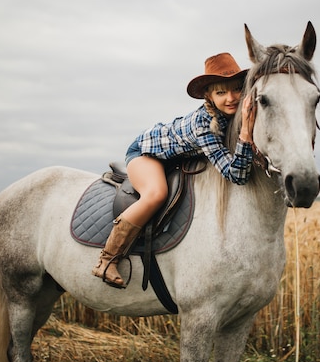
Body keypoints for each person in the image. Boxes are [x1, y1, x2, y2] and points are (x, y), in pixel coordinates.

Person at [92, 52, 257, 288]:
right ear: (209, 96)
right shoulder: (204, 125)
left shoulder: (234, 112)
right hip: (145, 152)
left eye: (236, 90)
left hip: (174, 156)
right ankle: (107, 260)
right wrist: (245, 135)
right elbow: (236, 175)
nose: (230, 98)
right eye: (221, 92)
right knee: (156, 194)